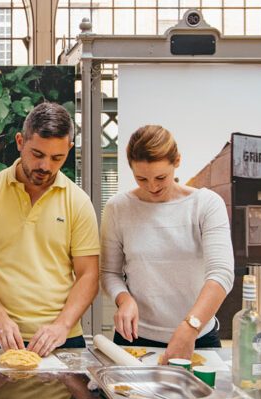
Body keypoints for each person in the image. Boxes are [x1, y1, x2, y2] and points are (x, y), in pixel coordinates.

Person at [0, 102, 100, 357]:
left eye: (57, 158)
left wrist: (61, 326)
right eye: (37, 154)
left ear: (69, 149)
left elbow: (88, 274)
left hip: (63, 339)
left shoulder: (78, 202)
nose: (46, 166)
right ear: (20, 142)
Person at [100, 125, 234, 363]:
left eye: (161, 177)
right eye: (141, 178)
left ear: (177, 161)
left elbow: (221, 274)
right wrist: (124, 298)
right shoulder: (117, 208)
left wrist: (190, 326)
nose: (152, 187)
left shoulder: (206, 204)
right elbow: (110, 273)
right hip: (134, 339)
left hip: (197, 336)